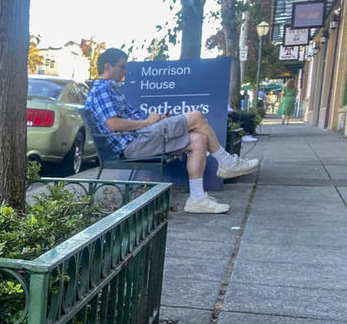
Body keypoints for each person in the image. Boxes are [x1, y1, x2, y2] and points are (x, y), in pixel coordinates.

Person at [85, 48, 260, 214]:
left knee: (199, 139)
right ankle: (226, 162)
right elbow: (113, 124)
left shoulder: (112, 91)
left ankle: (197, 200)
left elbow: (126, 120)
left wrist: (157, 119)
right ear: (107, 67)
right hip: (133, 146)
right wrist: (147, 122)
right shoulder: (102, 90)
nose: (125, 71)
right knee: (196, 116)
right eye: (122, 66)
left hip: (142, 139)